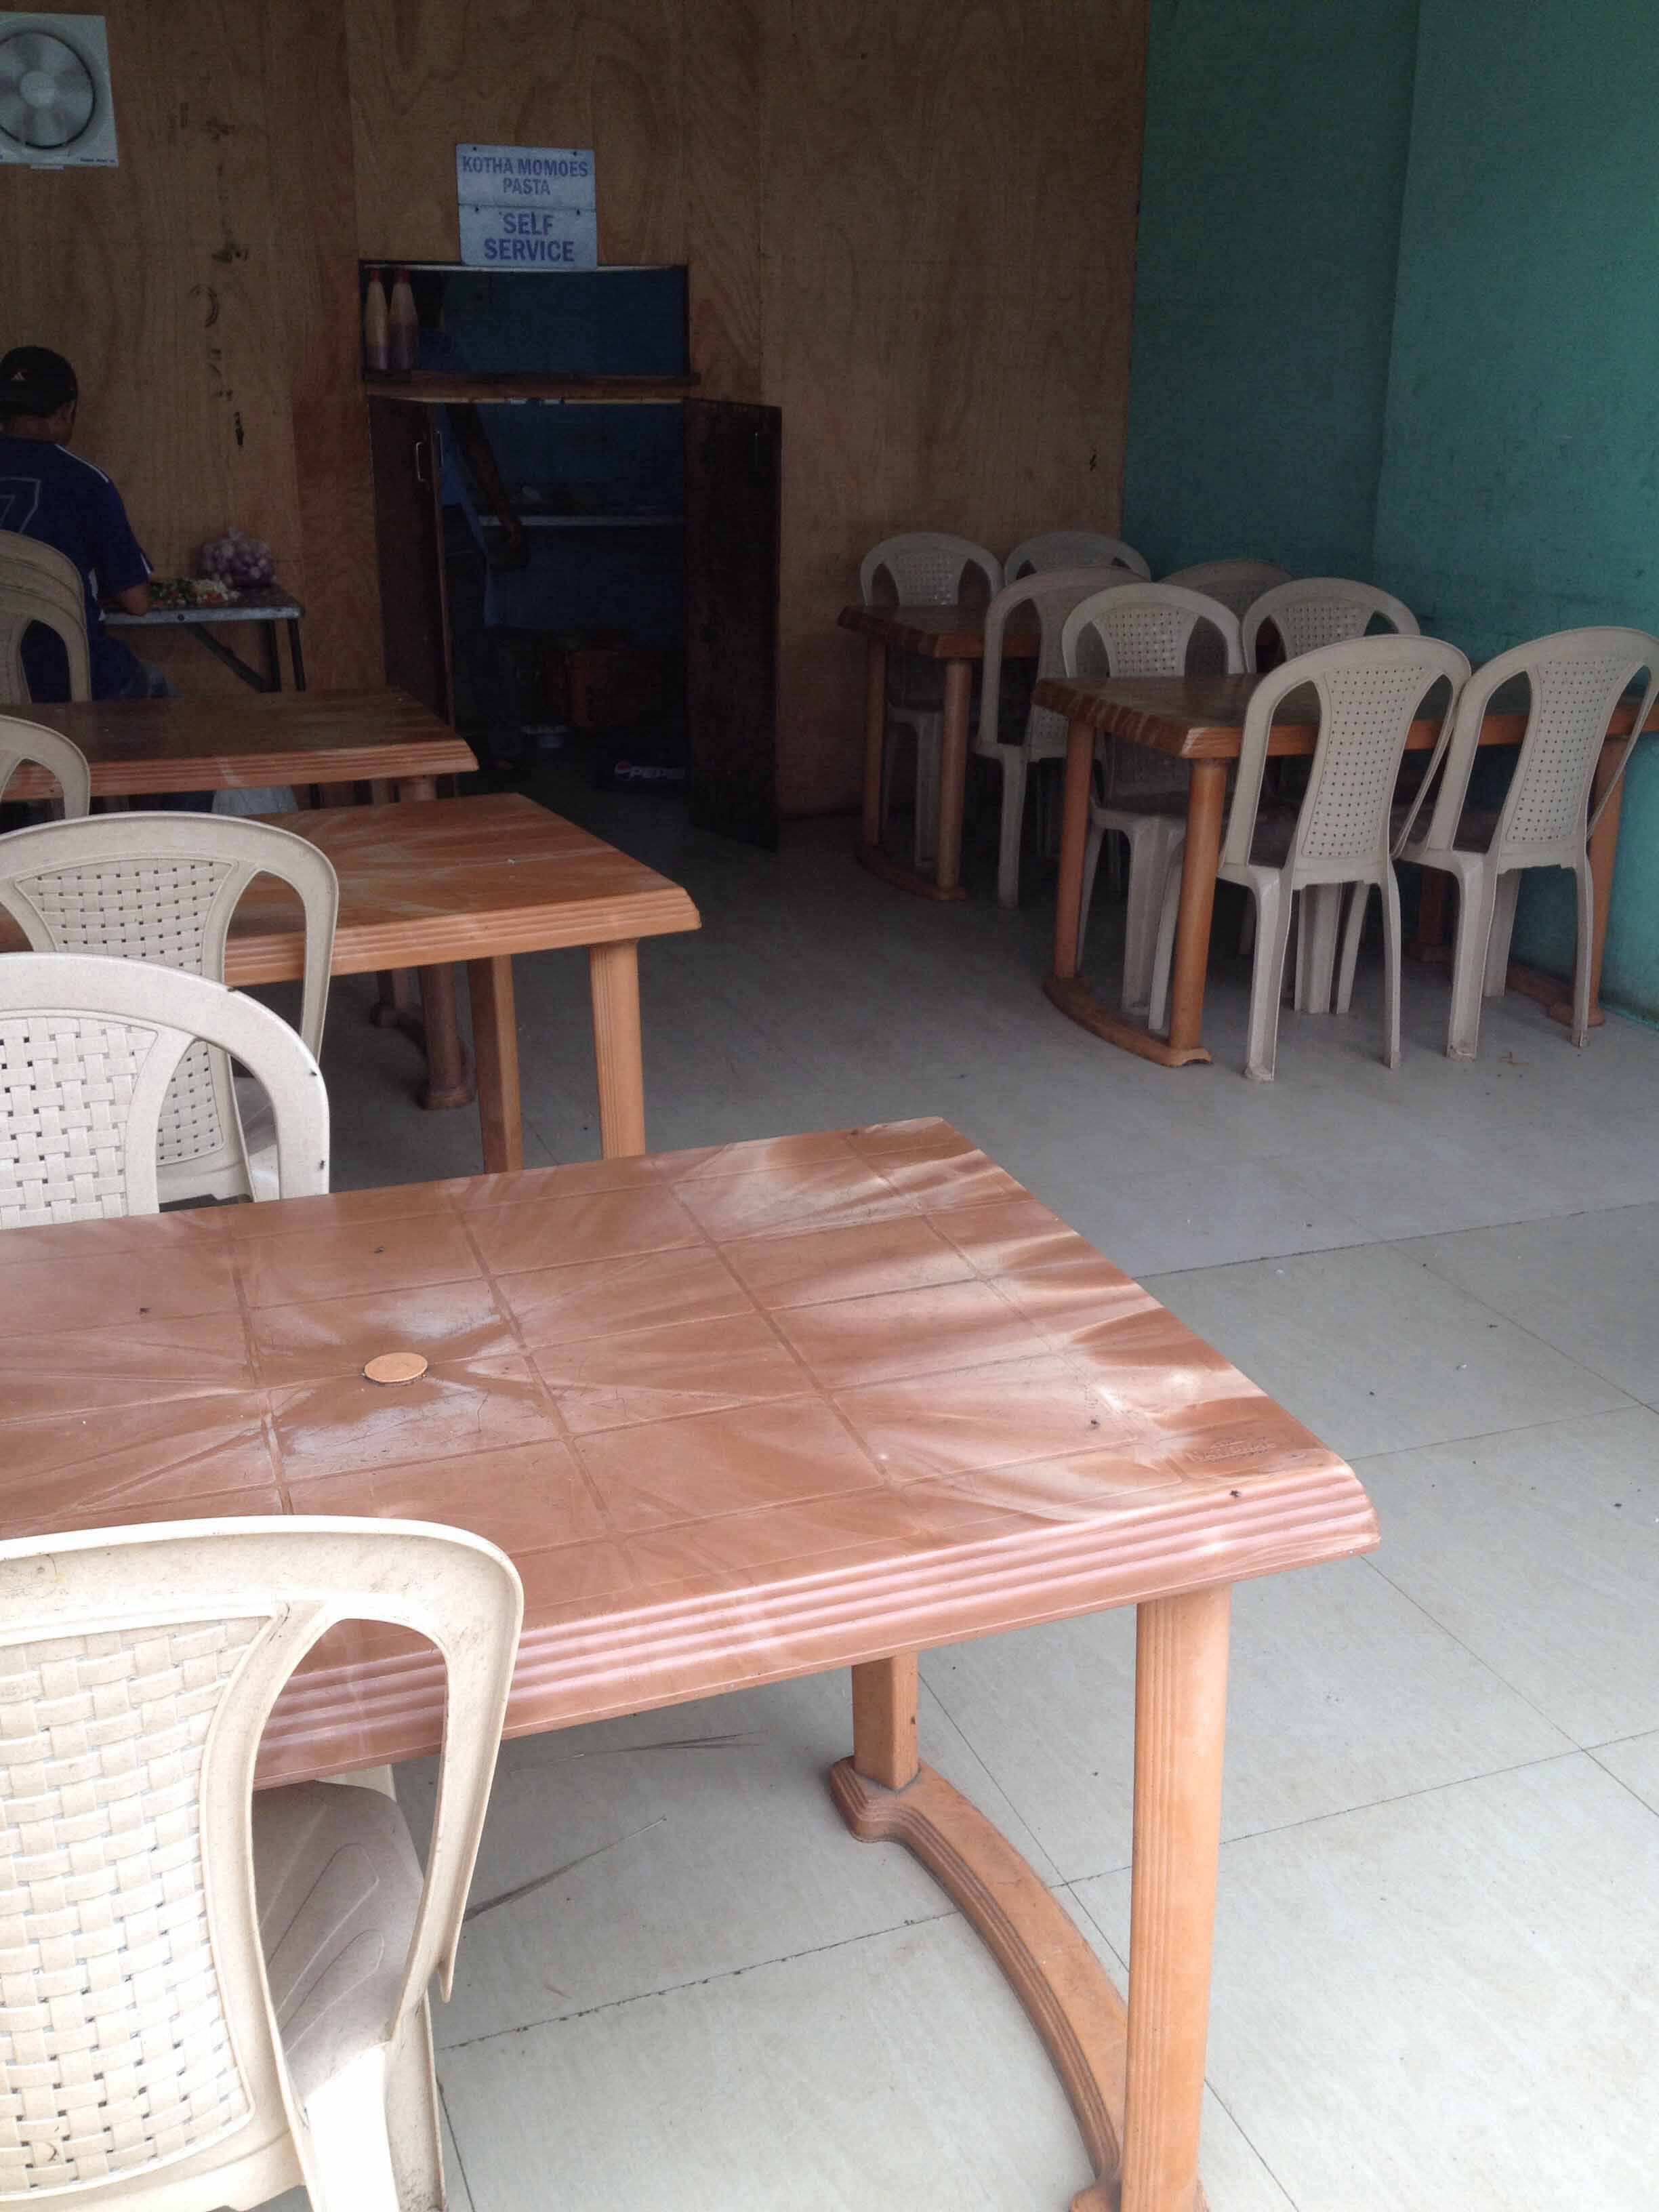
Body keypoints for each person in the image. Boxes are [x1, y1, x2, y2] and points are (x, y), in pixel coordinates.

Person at [0, 345, 165, 701]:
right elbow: (137, 602)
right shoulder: (85, 481)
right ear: (67, 410)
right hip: (68, 681)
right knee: (158, 689)